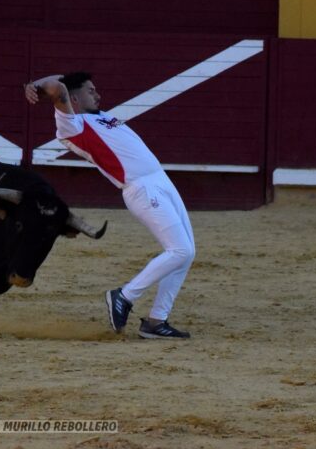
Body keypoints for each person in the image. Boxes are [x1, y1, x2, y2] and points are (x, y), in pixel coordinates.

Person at [24, 72, 195, 339]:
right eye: (91, 91)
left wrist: (45, 83)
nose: (98, 94)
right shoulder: (72, 125)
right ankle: (124, 296)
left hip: (161, 181)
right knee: (180, 250)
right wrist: (34, 86)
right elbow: (58, 86)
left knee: (187, 252)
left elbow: (62, 80)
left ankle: (155, 321)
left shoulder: (98, 117)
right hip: (140, 187)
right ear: (75, 98)